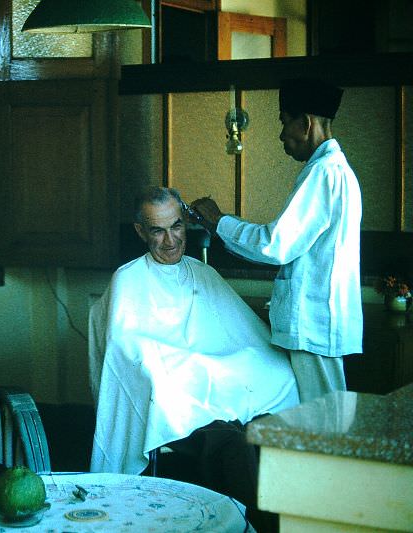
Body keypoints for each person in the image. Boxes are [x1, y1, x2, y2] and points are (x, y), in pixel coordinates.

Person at [89, 186, 299, 532]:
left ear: (186, 224)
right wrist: (185, 366)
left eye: (176, 227)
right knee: (233, 445)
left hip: (221, 392)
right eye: (158, 230)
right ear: (141, 232)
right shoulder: (128, 280)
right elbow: (125, 351)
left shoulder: (203, 274)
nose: (170, 240)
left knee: (268, 401)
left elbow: (246, 335)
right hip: (179, 403)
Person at [191, 77, 362, 403]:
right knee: (321, 418)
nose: (282, 134)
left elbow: (276, 244)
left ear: (306, 123)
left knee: (323, 423)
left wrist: (219, 222)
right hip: (317, 320)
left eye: (285, 123)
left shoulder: (324, 173)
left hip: (314, 322)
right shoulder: (333, 170)